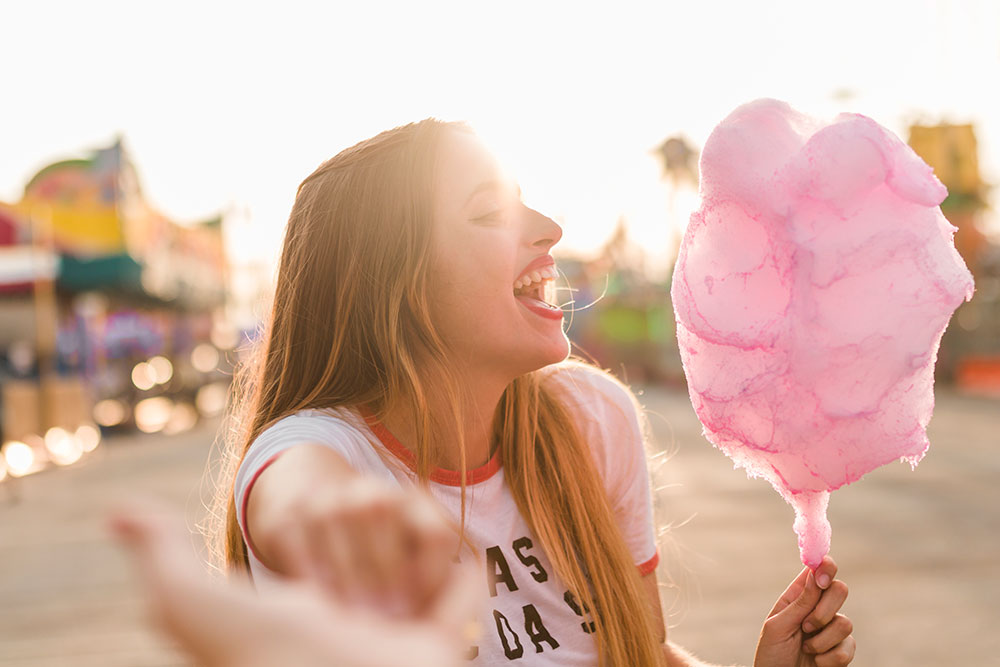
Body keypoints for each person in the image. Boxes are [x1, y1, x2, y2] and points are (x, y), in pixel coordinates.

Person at [197, 119, 854, 666]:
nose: (549, 227)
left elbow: (642, 652)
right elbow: (292, 499)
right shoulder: (320, 449)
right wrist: (339, 532)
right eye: (488, 212)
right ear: (391, 283)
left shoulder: (593, 419)